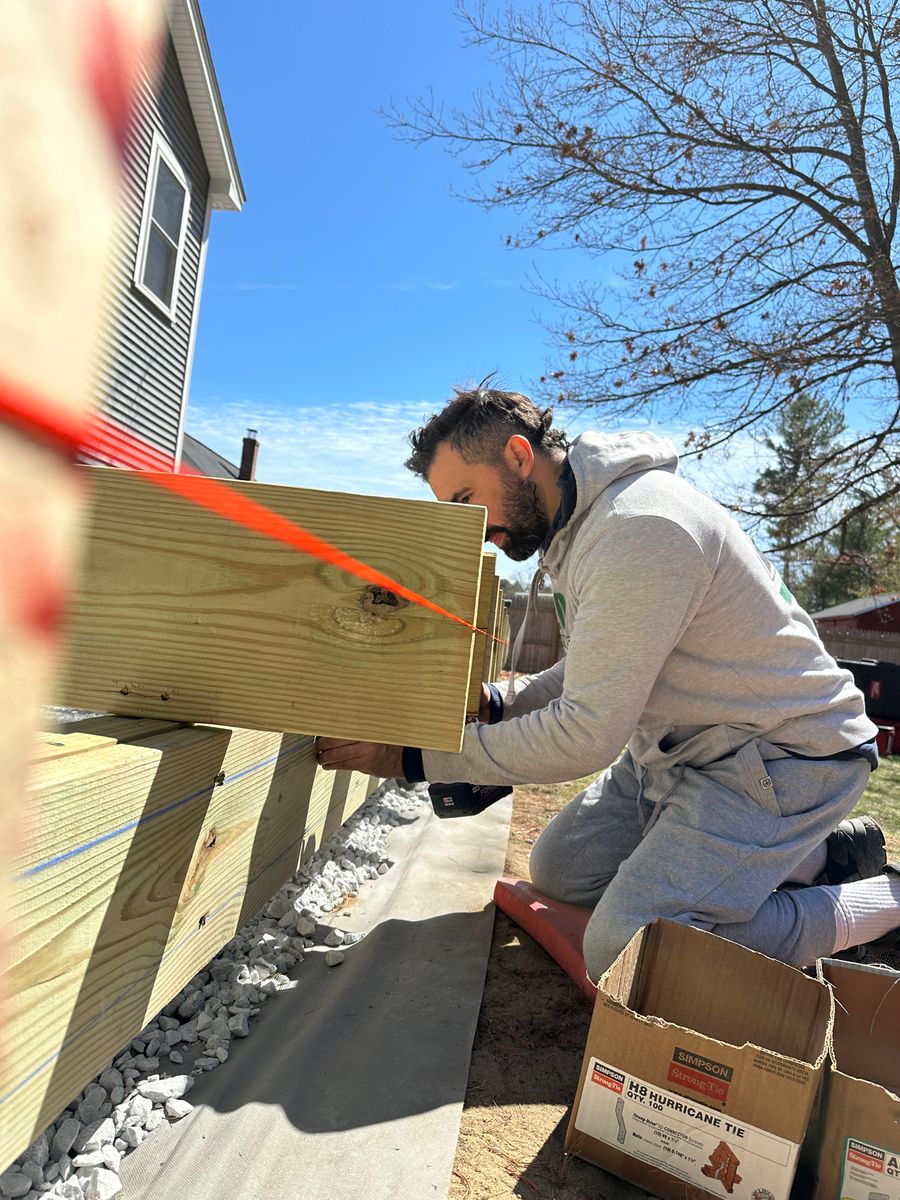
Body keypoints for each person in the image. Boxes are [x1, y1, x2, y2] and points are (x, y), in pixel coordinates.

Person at [316, 384, 899, 979]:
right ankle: (820, 855)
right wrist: (500, 702)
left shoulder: (637, 528)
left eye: (467, 500)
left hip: (786, 757)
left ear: (518, 457)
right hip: (691, 751)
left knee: (626, 951)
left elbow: (585, 735)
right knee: (563, 872)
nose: (470, 528)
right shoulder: (581, 526)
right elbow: (600, 663)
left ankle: (879, 903)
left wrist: (415, 757)